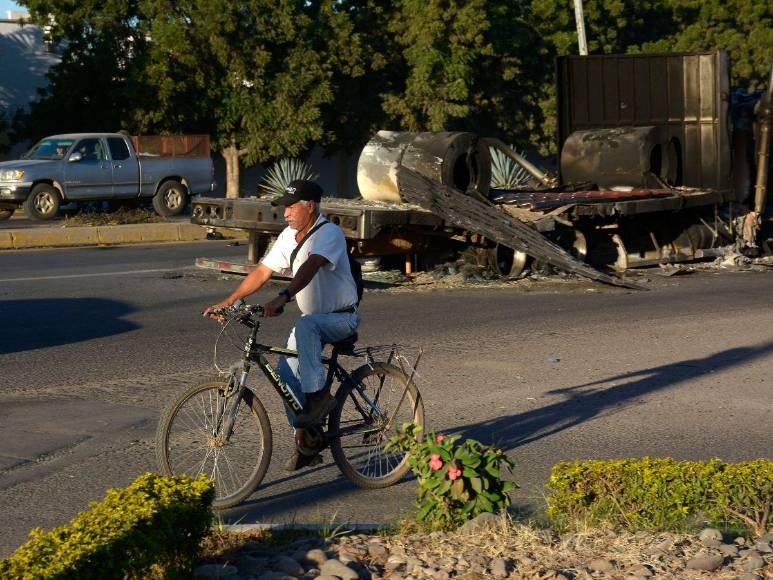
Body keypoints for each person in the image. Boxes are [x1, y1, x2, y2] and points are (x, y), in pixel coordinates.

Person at [203, 179, 360, 470]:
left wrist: (283, 296)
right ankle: (307, 439)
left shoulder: (329, 233)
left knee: (306, 326)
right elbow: (262, 271)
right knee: (285, 373)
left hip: (342, 317)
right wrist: (230, 301)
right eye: (284, 207)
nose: (285, 212)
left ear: (310, 206)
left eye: (291, 206)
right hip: (312, 320)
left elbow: (311, 267)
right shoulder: (289, 236)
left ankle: (318, 399)